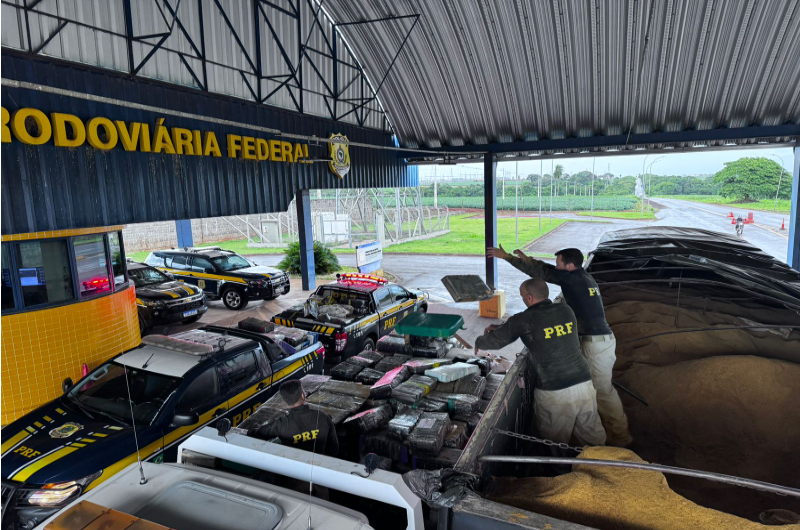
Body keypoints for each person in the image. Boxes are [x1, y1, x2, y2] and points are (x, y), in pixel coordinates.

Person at [487, 245, 632, 447]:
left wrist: (507, 257)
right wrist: (528, 260)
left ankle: (621, 439)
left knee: (603, 391)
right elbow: (548, 269)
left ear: (570, 266)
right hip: (600, 341)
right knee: (598, 391)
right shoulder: (582, 277)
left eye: (559, 263)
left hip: (595, 344)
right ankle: (607, 436)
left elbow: (542, 272)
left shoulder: (572, 279)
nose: (556, 266)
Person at [475, 278, 606, 447]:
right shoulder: (566, 310)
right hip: (584, 384)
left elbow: (495, 342)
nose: (522, 299)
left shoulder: (524, 319)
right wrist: (503, 326)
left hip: (555, 392)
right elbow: (542, 325)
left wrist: (479, 341)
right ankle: (603, 468)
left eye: (522, 296)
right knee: (593, 438)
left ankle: (558, 472)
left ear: (529, 298)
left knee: (555, 446)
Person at [249, 379, 339, 457]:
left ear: (285, 400)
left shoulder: (280, 424)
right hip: (320, 469)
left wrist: (255, 427)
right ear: (303, 396)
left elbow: (255, 433)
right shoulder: (323, 417)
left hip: (294, 470)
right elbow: (334, 449)